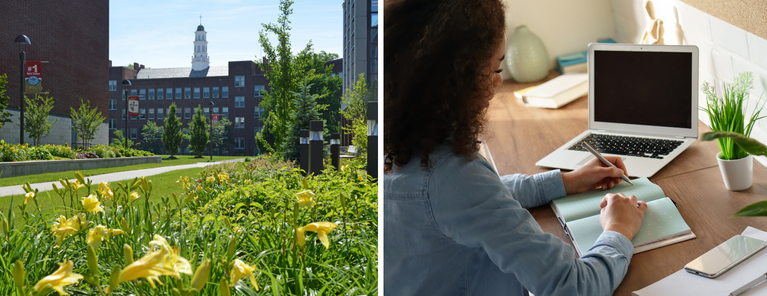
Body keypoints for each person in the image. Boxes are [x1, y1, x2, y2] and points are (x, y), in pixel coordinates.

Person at [383, 1, 648, 295]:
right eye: (495, 67)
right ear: (456, 79)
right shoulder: (451, 174)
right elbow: (572, 287)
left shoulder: (403, 146)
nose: (498, 81)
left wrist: (565, 181)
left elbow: (475, 200)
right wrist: (619, 230)